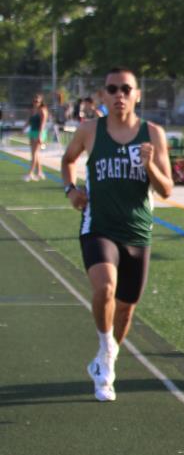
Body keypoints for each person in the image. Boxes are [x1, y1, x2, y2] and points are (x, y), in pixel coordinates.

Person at [60, 67, 173, 402]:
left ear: (137, 95)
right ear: (103, 96)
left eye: (126, 89)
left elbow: (166, 189)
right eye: (112, 89)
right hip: (99, 226)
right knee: (105, 288)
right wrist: (71, 190)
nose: (119, 95)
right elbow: (68, 160)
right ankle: (106, 353)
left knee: (125, 308)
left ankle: (105, 359)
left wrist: (149, 166)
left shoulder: (153, 134)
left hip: (137, 232)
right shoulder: (89, 130)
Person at [24, 93, 48, 181]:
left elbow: (42, 124)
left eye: (37, 101)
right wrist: (24, 128)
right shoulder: (32, 110)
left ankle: (30, 173)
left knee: (34, 153)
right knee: (34, 153)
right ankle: (40, 172)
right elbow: (29, 120)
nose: (35, 103)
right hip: (32, 132)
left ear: (41, 102)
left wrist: (40, 135)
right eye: (34, 101)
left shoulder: (43, 110)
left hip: (39, 132)